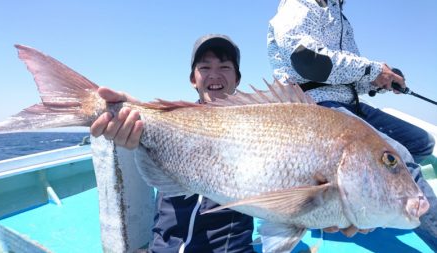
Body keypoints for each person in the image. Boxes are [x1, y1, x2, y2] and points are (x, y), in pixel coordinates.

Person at [267, 0, 437, 249]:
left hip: (350, 103)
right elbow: (307, 59)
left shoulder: (339, 16)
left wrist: (378, 82)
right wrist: (374, 70)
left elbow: (346, 76)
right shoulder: (298, 7)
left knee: (422, 141)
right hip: (316, 102)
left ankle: (366, 198)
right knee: (397, 155)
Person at [92, 34, 256, 253]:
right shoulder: (172, 120)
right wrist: (125, 115)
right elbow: (147, 120)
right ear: (193, 79)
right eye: (204, 68)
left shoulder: (257, 127)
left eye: (225, 67)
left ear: (237, 79)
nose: (214, 75)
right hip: (163, 246)